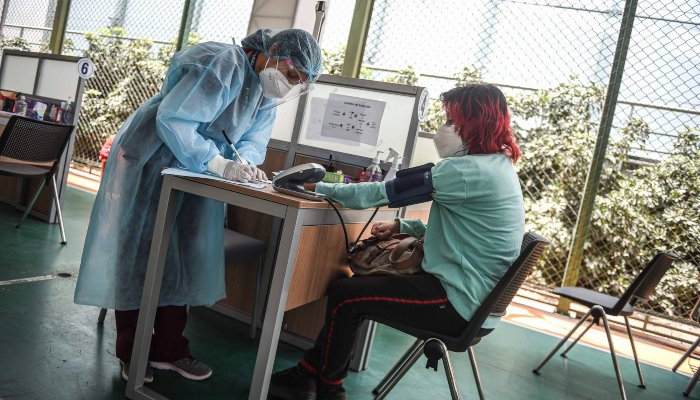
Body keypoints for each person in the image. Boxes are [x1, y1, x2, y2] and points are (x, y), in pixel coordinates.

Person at [73, 29, 322, 382]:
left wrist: (243, 164)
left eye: (298, 82)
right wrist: (217, 162)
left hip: (199, 173)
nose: (289, 84)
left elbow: (254, 140)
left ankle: (170, 350)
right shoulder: (222, 64)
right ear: (276, 52)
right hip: (152, 162)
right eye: (292, 74)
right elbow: (174, 120)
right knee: (139, 256)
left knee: (184, 258)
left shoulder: (265, 95)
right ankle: (134, 351)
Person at [268, 83, 525, 400]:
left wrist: (314, 187)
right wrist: (404, 225)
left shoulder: (465, 171)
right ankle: (308, 372)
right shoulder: (497, 167)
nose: (442, 130)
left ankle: (328, 389)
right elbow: (467, 234)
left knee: (346, 295)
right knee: (352, 293)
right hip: (477, 302)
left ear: (473, 122)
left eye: (450, 121)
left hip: (457, 302)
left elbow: (381, 193)